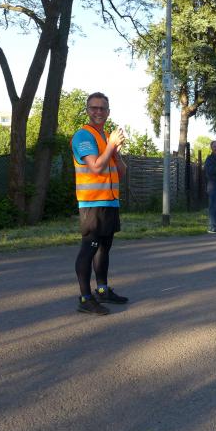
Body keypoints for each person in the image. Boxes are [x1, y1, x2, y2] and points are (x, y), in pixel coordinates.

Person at [71, 92, 128, 315]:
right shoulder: (83, 136)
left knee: (104, 248)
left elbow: (121, 172)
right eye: (94, 108)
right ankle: (85, 298)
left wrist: (115, 152)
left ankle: (102, 291)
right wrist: (110, 146)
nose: (98, 112)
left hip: (110, 202)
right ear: (87, 110)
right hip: (92, 203)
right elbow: (95, 167)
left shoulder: (105, 137)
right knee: (89, 249)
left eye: (102, 108)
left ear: (108, 112)